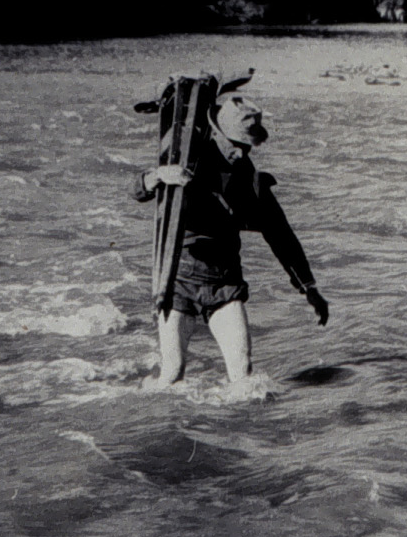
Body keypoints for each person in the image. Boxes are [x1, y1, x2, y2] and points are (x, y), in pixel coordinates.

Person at [131, 91, 328, 386]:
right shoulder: (186, 159)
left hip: (224, 283)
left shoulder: (249, 178)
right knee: (172, 373)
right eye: (235, 145)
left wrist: (308, 287)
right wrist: (159, 175)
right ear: (218, 133)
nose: (241, 153)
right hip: (179, 280)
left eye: (247, 146)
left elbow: (280, 234)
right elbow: (137, 190)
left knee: (244, 376)